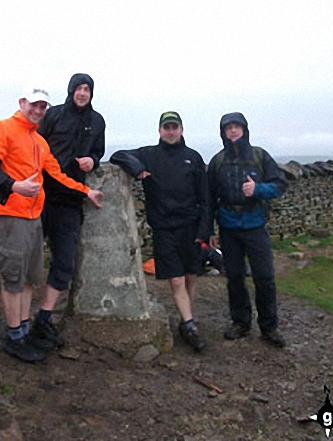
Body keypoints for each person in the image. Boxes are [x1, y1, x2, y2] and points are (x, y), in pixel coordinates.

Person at [0, 87, 103, 362]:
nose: (37, 110)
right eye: (34, 105)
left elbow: (57, 175)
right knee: (13, 278)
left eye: (42, 107)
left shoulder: (38, 141)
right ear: (22, 102)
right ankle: (14, 337)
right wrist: (14, 186)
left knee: (27, 279)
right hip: (10, 213)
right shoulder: (3, 129)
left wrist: (86, 192)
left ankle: (23, 331)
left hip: (33, 216)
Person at [110, 111, 208, 353]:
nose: (171, 131)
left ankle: (188, 319)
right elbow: (117, 155)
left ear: (182, 130)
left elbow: (206, 198)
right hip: (164, 227)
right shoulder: (148, 155)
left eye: (175, 127)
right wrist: (138, 168)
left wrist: (204, 230)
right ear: (160, 130)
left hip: (190, 226)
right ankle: (189, 324)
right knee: (175, 279)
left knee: (191, 276)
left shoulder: (193, 158)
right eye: (167, 127)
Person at [34, 73, 106, 349]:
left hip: (71, 200)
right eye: (79, 88)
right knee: (30, 258)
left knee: (64, 261)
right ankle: (18, 321)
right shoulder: (53, 115)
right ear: (71, 90)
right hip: (41, 195)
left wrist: (93, 160)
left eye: (87, 89)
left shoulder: (97, 121)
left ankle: (44, 317)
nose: (82, 93)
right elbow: (36, 145)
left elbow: (98, 152)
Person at [207, 112, 288, 348]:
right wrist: (209, 229)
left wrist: (258, 189)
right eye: (228, 128)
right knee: (234, 277)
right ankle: (241, 322)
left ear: (244, 129)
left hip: (255, 226)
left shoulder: (260, 156)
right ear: (222, 132)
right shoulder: (218, 161)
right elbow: (210, 198)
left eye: (236, 127)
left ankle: (269, 327)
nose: (232, 131)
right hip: (228, 227)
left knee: (264, 277)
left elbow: (280, 184)